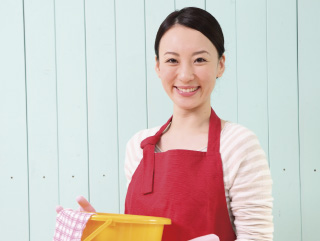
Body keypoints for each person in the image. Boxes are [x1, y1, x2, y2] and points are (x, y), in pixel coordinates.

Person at [74, 7, 273, 241]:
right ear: (158, 66)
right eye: (172, 60)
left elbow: (257, 238)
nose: (186, 75)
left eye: (200, 59)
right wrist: (107, 234)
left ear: (220, 64)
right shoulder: (138, 146)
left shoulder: (238, 144)